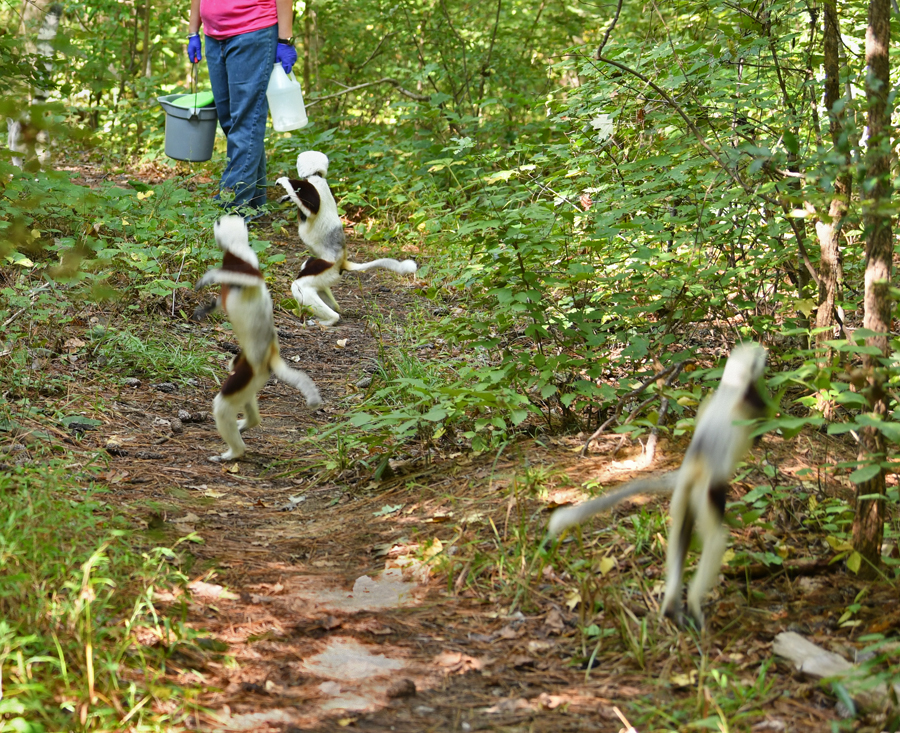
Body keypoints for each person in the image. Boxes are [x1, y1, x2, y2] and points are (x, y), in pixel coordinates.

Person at [186, 0, 298, 214]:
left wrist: (285, 39)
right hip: (214, 36)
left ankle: (232, 208)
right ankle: (255, 205)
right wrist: (193, 31)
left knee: (246, 122)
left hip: (253, 32)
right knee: (230, 122)